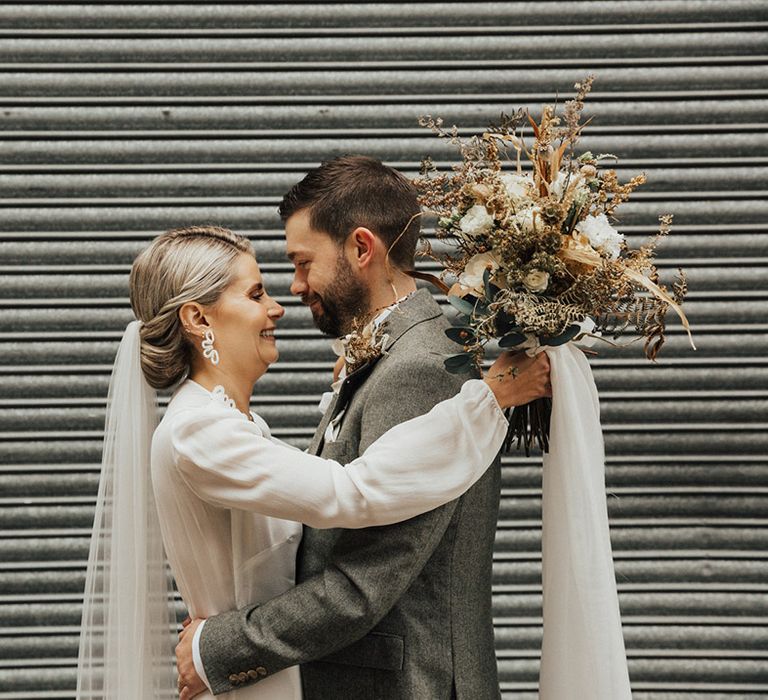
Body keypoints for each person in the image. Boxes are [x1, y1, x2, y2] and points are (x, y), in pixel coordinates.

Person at [76, 221, 551, 699]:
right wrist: (485, 401)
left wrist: (349, 387)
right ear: (198, 319)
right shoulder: (199, 432)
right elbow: (350, 492)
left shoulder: (226, 425)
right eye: (256, 294)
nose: (278, 306)